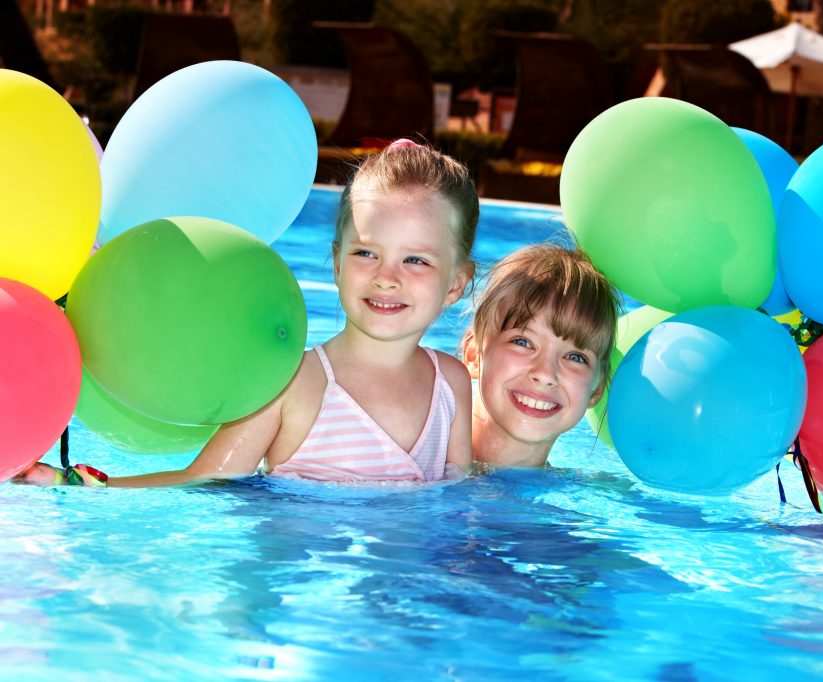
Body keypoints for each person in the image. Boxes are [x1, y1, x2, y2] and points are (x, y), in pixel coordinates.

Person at [23, 139, 478, 487]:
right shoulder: (288, 381)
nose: (386, 277)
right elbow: (204, 478)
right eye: (366, 253)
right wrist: (75, 484)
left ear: (456, 283)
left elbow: (461, 507)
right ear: (337, 263)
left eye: (415, 260)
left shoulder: (451, 385)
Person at [461, 244, 619, 468]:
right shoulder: (408, 456)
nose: (545, 374)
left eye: (575, 357)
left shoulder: (587, 495)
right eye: (523, 342)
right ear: (473, 353)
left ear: (597, 388)